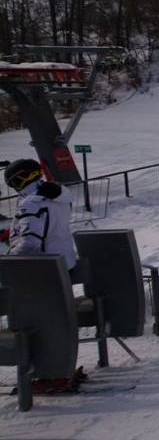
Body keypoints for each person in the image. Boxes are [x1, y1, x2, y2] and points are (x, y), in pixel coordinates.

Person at [2, 159, 87, 393]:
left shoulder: (31, 203)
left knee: (38, 323)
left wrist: (9, 262)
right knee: (58, 322)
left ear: (19, 180)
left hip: (38, 273)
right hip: (60, 267)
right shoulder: (56, 196)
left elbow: (30, 243)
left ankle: (49, 373)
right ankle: (60, 369)